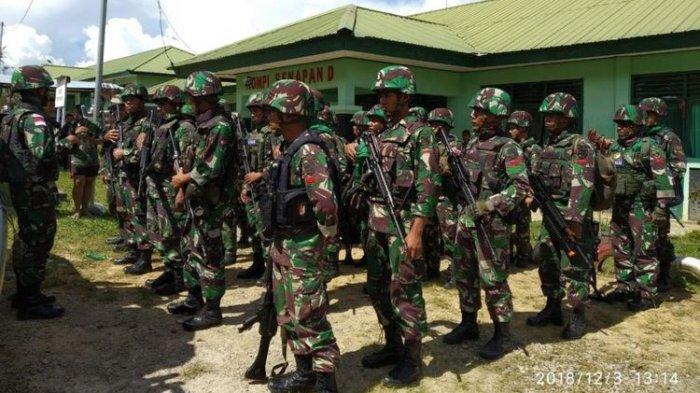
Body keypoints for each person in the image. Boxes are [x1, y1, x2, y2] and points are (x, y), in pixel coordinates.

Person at [361, 66, 440, 387]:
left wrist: (417, 230)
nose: (381, 99)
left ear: (404, 96)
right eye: (379, 93)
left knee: (404, 291)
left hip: (403, 224)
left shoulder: (421, 133)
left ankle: (412, 358)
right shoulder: (382, 133)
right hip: (376, 223)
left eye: (386, 94)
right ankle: (392, 345)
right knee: (378, 288)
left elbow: (428, 183)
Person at [260, 79, 340, 393]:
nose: (268, 115)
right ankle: (304, 372)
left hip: (303, 245)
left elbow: (325, 203)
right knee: (289, 312)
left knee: (309, 314)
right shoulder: (291, 148)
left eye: (273, 109)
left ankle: (325, 382)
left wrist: (325, 242)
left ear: (290, 111)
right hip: (285, 242)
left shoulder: (309, 149)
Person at [447, 88, 528, 359]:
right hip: (466, 222)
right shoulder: (471, 145)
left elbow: (520, 188)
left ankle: (502, 334)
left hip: (491, 226)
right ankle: (468, 323)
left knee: (493, 279)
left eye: (478, 112)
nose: (472, 115)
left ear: (495, 115)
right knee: (464, 273)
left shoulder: (508, 148)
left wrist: (487, 205)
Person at [1, 65, 80, 319]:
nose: (48, 93)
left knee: (26, 239)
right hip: (34, 189)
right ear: (36, 90)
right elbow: (44, 154)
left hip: (21, 186)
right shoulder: (33, 119)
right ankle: (30, 302)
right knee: (39, 240)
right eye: (46, 89)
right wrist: (68, 142)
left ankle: (26, 293)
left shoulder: (12, 116)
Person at [166, 71, 237, 331]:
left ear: (199, 96)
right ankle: (195, 297)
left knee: (210, 255)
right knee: (191, 250)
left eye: (191, 96)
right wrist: (183, 189)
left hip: (211, 203)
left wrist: (183, 179)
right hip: (197, 201)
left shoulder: (220, 126)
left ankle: (212, 309)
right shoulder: (203, 124)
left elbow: (210, 169)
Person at [527, 92, 596, 340]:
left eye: (556, 115)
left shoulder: (580, 145)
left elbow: (583, 184)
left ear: (569, 117)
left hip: (570, 216)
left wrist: (574, 220)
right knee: (546, 259)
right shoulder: (546, 145)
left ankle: (577, 315)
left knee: (574, 265)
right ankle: (553, 307)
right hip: (549, 213)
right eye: (547, 115)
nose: (549, 119)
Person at [603, 104, 674, 310]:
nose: (620, 128)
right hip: (620, 205)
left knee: (644, 250)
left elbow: (664, 179)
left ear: (637, 125)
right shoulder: (614, 147)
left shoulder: (649, 146)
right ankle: (625, 287)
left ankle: (646, 294)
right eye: (619, 124)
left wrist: (661, 208)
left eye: (626, 124)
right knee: (620, 247)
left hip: (641, 205)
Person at [140, 85, 193, 292]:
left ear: (176, 104)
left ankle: (180, 275)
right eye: (159, 103)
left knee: (173, 232)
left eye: (164, 103)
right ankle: (170, 269)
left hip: (171, 188)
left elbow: (186, 165)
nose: (160, 108)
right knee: (160, 232)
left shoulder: (184, 127)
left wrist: (181, 191)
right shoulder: (161, 125)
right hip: (156, 187)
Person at [103, 84, 155, 275]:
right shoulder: (126, 123)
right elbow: (111, 148)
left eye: (132, 99)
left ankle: (145, 256)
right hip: (123, 177)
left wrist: (123, 153)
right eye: (126, 100)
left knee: (139, 216)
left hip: (137, 178)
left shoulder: (147, 124)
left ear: (142, 101)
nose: (127, 103)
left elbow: (146, 153)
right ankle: (131, 248)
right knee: (124, 213)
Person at [638, 97, 687, 292]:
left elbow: (678, 167)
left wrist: (659, 184)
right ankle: (644, 274)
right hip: (640, 194)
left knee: (659, 236)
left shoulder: (668, 137)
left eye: (648, 114)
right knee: (642, 236)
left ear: (658, 115)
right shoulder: (641, 135)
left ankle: (663, 276)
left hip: (660, 196)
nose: (644, 117)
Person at [238, 91, 275, 280]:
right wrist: (245, 187)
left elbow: (278, 162)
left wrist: (260, 174)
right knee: (253, 229)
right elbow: (247, 163)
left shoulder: (273, 133)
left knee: (266, 231)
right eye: (251, 111)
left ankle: (270, 270)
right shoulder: (251, 134)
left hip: (267, 189)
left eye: (256, 110)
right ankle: (257, 264)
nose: (252, 114)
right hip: (252, 189)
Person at [427, 108, 460, 288]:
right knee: (430, 236)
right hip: (430, 197)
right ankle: (431, 269)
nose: (435, 129)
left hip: (446, 198)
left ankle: (454, 271)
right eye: (432, 125)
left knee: (450, 236)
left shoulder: (454, 145)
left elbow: (447, 170)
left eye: (439, 125)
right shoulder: (427, 144)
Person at [506, 110, 540, 268]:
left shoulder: (533, 149)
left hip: (524, 194)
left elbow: (534, 175)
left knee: (522, 227)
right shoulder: (510, 147)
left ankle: (523, 257)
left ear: (524, 128)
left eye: (514, 127)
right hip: (509, 192)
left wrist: (530, 195)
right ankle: (507, 255)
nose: (510, 130)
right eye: (510, 127)